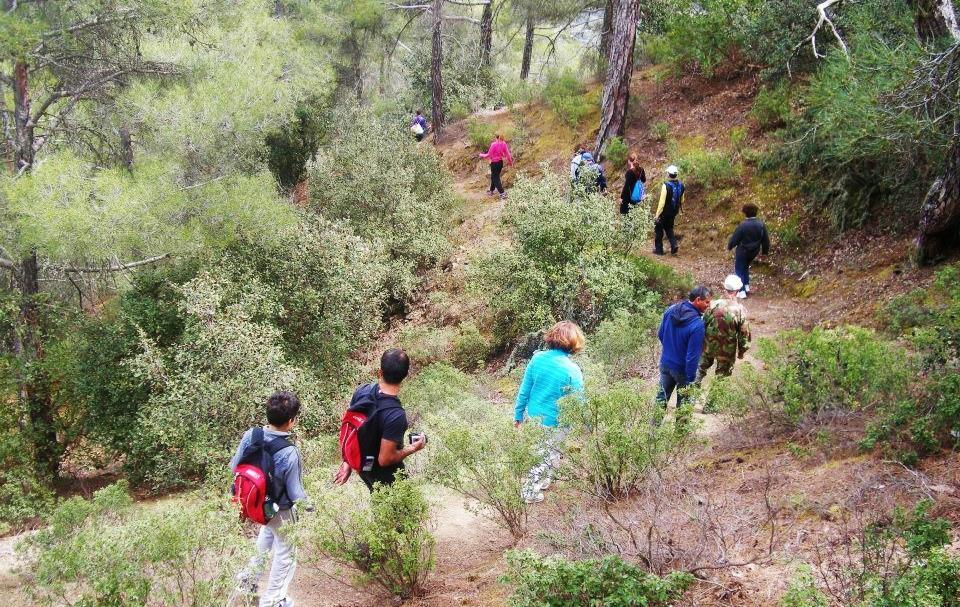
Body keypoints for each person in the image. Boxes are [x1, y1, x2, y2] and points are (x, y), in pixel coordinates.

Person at [232, 392, 308, 607]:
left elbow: (235, 466)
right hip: (279, 509)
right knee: (287, 553)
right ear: (291, 421)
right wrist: (310, 507)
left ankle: (247, 582)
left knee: (266, 535)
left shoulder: (251, 435)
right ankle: (274, 600)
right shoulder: (289, 451)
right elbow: (295, 492)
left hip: (252, 503)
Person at [334, 348, 425, 491]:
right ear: (405, 375)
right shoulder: (395, 415)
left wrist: (348, 461)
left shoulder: (362, 391)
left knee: (378, 503)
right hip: (387, 476)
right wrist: (414, 447)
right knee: (401, 511)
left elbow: (352, 427)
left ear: (380, 372)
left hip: (364, 469)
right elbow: (385, 459)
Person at [514, 321, 585, 504]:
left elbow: (525, 389)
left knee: (545, 452)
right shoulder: (572, 370)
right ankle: (530, 492)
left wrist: (518, 414)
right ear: (573, 343)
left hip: (534, 415)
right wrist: (586, 425)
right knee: (546, 454)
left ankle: (544, 481)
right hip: (556, 421)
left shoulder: (537, 359)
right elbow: (578, 402)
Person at [656, 285, 711, 426]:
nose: (708, 305)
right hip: (682, 370)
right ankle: (680, 439)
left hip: (665, 364)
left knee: (661, 399)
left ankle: (652, 434)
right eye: (707, 302)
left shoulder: (671, 310)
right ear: (698, 300)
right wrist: (691, 379)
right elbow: (693, 356)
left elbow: (660, 334)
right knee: (684, 405)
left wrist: (670, 350)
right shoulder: (697, 325)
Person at [696, 274, 751, 385]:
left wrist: (699, 344)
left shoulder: (712, 305)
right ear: (737, 290)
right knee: (721, 380)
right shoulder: (740, 310)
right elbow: (744, 334)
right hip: (727, 350)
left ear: (724, 288)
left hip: (708, 346)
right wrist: (742, 351)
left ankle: (688, 397)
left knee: (698, 371)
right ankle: (712, 402)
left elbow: (702, 324)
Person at [727, 203, 770, 299]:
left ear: (745, 213)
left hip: (743, 251)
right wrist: (764, 252)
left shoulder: (743, 225)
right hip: (754, 251)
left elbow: (735, 238)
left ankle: (741, 291)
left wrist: (730, 246)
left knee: (739, 269)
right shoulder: (761, 224)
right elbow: (765, 239)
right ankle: (746, 286)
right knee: (746, 267)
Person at [653, 165, 685, 255]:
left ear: (668, 174)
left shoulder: (666, 186)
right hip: (674, 212)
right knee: (669, 228)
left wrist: (657, 214)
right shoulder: (681, 185)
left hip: (664, 212)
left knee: (659, 229)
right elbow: (682, 200)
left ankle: (659, 250)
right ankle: (674, 244)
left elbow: (661, 203)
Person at [479, 133, 514, 200]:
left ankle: (502, 193)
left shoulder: (493, 144)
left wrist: (481, 155)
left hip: (494, 163)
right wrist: (510, 163)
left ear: (496, 137)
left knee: (495, 177)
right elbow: (508, 154)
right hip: (500, 163)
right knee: (494, 176)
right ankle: (491, 191)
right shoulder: (504, 143)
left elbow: (488, 155)